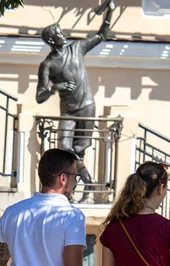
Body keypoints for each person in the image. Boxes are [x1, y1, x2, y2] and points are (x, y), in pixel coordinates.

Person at [36, 2, 115, 199]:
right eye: (59, 33)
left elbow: (101, 35)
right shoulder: (48, 65)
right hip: (68, 110)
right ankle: (87, 183)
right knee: (65, 146)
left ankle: (77, 188)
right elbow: (40, 96)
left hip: (87, 106)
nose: (64, 35)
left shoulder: (77, 48)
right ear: (53, 40)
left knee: (80, 149)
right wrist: (56, 88)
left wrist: (110, 12)